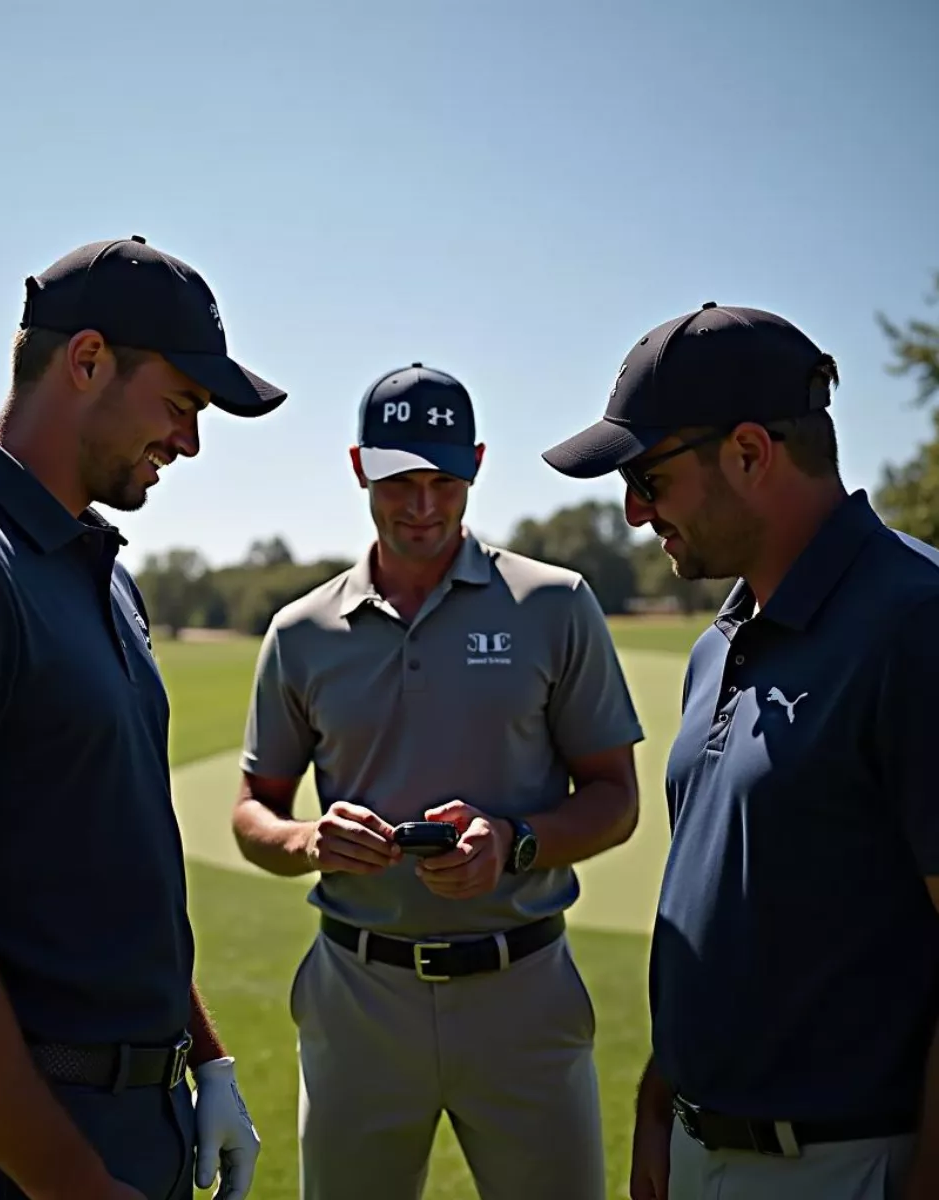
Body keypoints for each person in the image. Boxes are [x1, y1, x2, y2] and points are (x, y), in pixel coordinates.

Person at [0, 236, 285, 1200]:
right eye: (181, 404)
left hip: (131, 1126)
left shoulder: (99, 575)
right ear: (86, 361)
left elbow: (110, 857)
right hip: (16, 1154)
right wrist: (70, 1181)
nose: (190, 443)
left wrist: (205, 1057)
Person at [541, 301, 939, 1200]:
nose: (636, 512)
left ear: (752, 452)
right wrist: (662, 1091)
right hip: (699, 1142)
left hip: (849, 1163)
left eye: (647, 475)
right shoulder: (720, 641)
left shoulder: (916, 624)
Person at [230, 362, 645, 1200]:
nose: (422, 506)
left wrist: (517, 841)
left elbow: (616, 800)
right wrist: (310, 841)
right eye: (399, 481)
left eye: (443, 480)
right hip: (357, 998)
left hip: (523, 992)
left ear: (478, 465)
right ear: (358, 468)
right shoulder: (300, 631)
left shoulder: (556, 604)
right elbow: (253, 811)